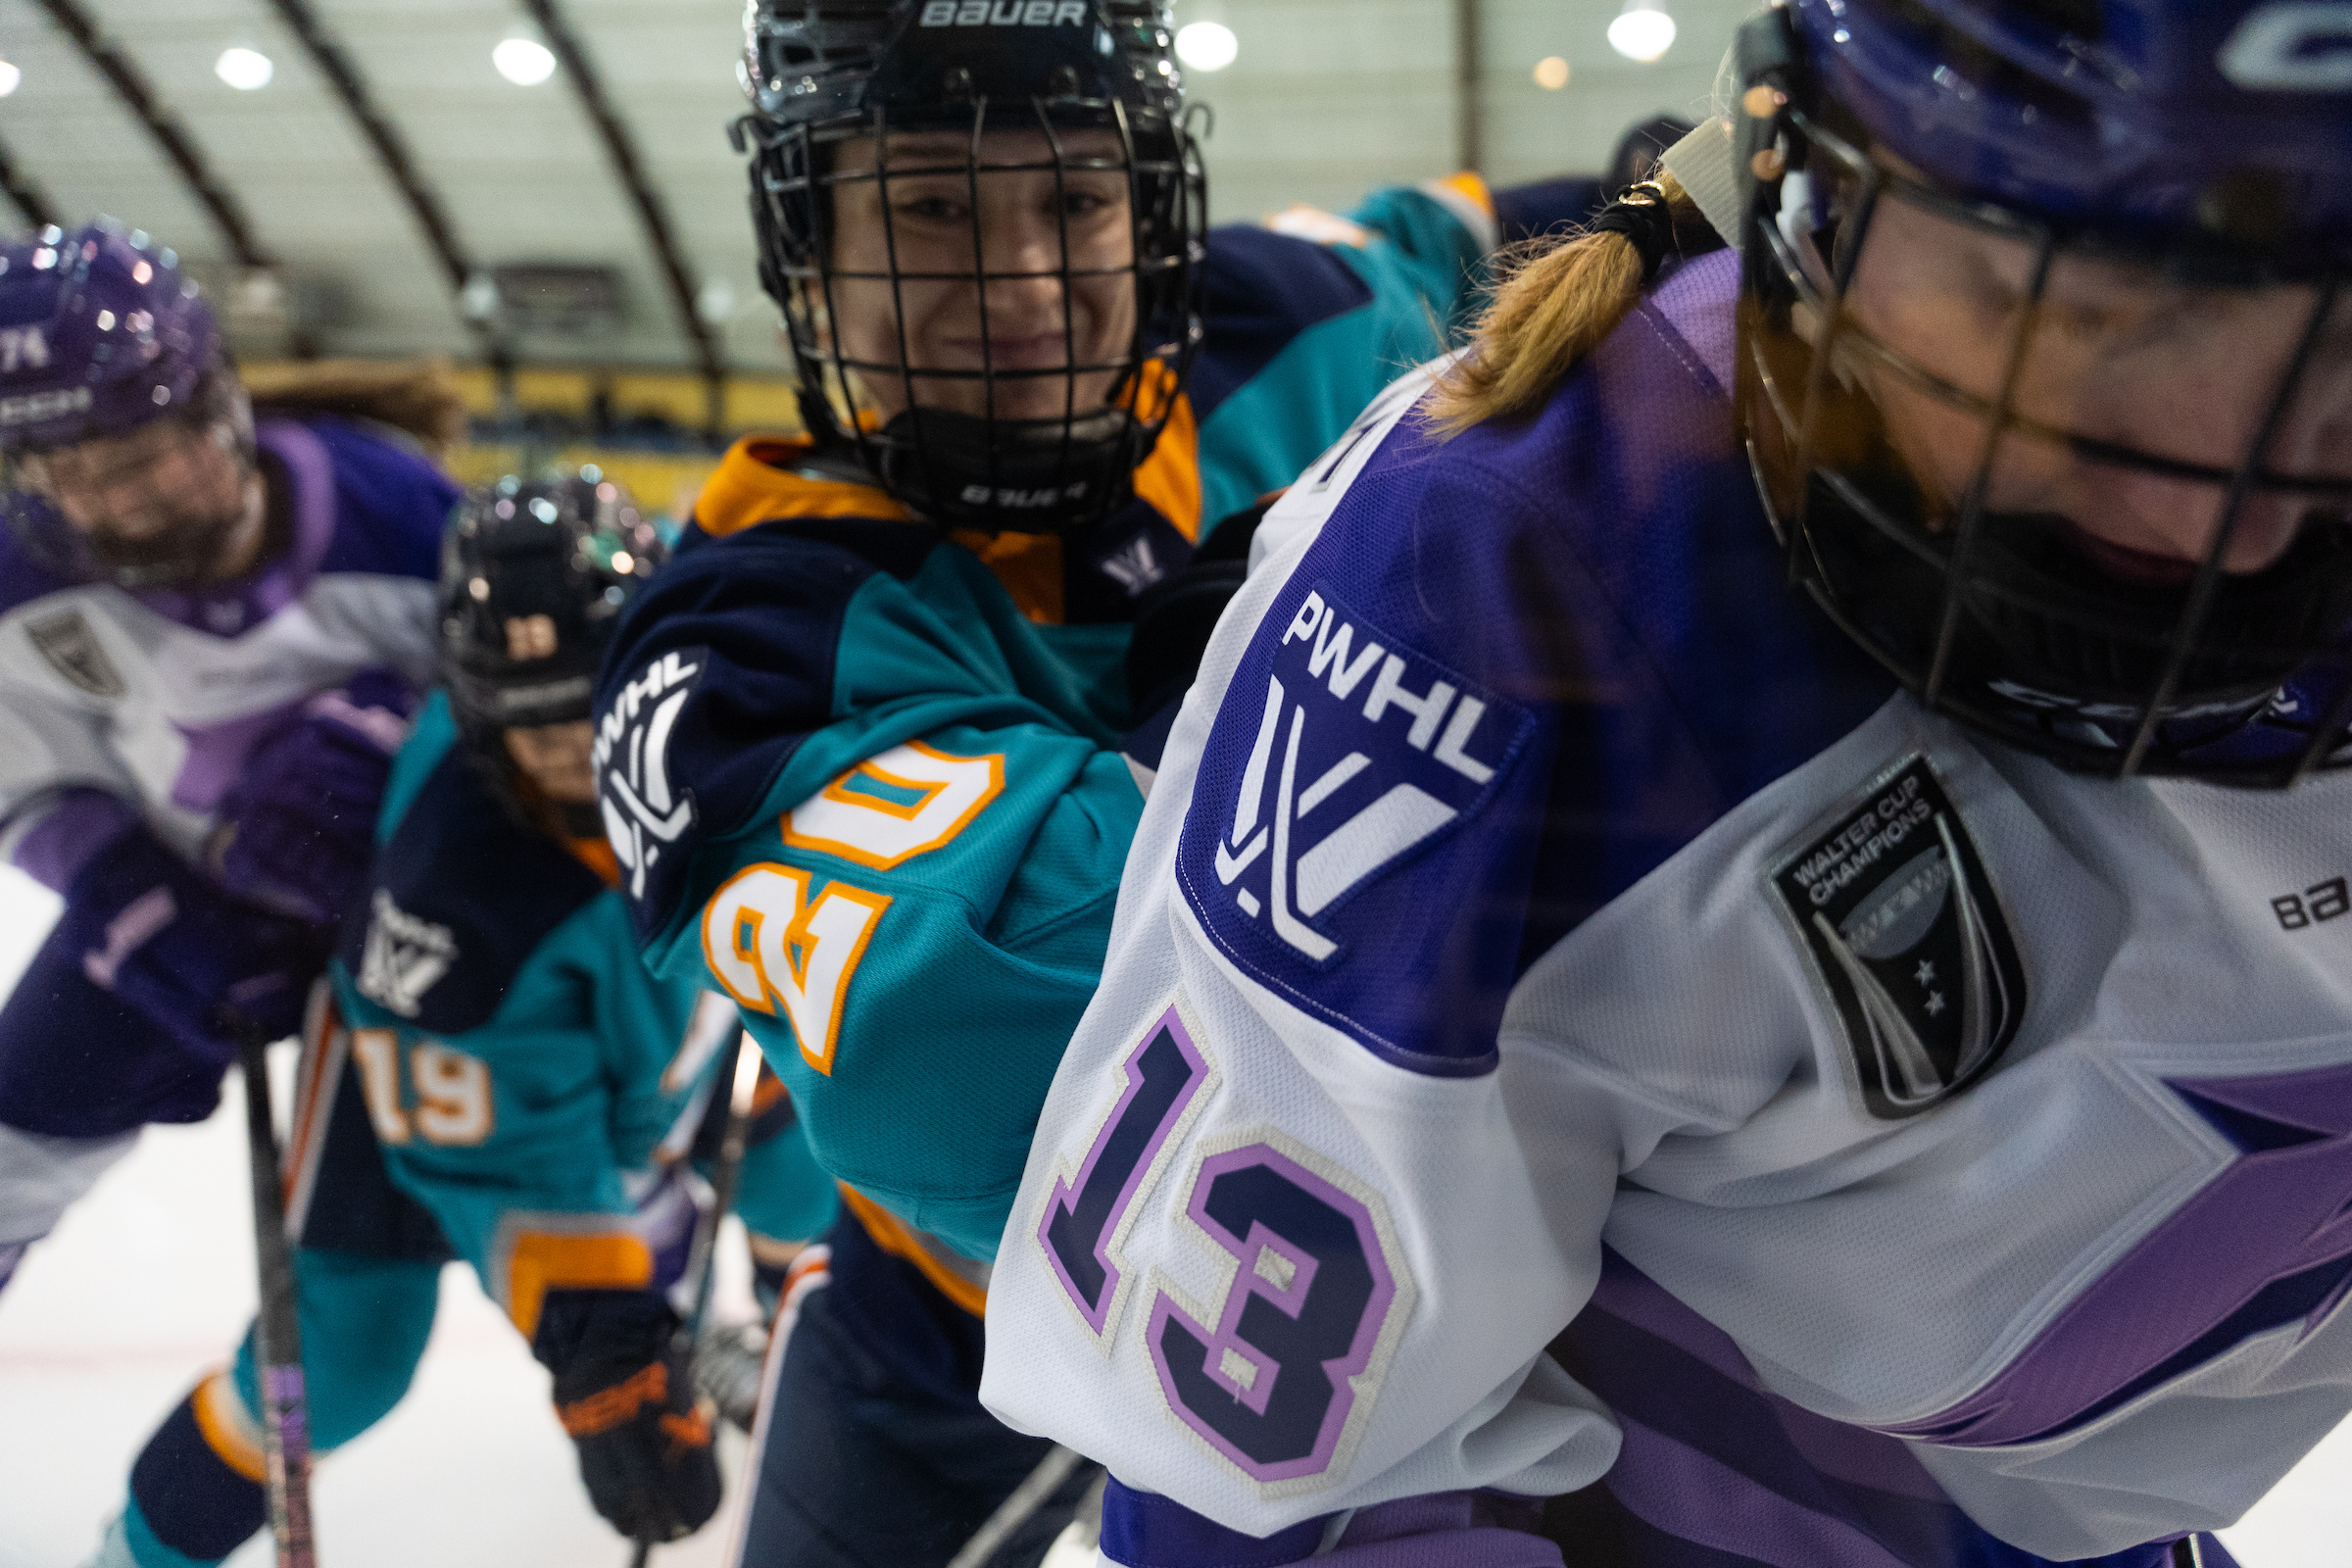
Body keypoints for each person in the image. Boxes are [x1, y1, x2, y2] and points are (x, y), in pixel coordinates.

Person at [980, 1, 2352, 1564]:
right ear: (1828, 185)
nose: (2230, 518)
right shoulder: (1538, 569)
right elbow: (1256, 1479)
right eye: (2088, 301)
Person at [591, 5, 1601, 1561]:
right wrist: (1297, 653)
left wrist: (1698, 200)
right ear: (810, 243)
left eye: (1076, 200)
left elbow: (1497, 231)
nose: (1030, 286)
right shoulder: (735, 649)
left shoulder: (1280, 308)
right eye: (931, 206)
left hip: (1399, 1334)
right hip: (942, 1334)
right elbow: (1053, 1056)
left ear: (1155, 208)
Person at [82, 474, 843, 1568]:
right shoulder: (452, 893)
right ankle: (140, 1552)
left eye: (599, 706)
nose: (583, 756)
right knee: (343, 1363)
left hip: (663, 999)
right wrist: (604, 1352)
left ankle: (792, 1347)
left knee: (794, 1168)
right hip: (433, 1065)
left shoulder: (729, 660)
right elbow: (516, 1164)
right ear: (482, 718)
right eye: (537, 734)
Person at [0, 224, 460, 1295]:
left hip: (409, 920)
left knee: (374, 1291)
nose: (106, 500)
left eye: (129, 456)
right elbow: (23, 779)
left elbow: (540, 739)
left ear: (217, 406)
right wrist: (137, 903)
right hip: (185, 906)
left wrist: (403, 747)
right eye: (62, 470)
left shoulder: (396, 516)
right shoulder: (24, 585)